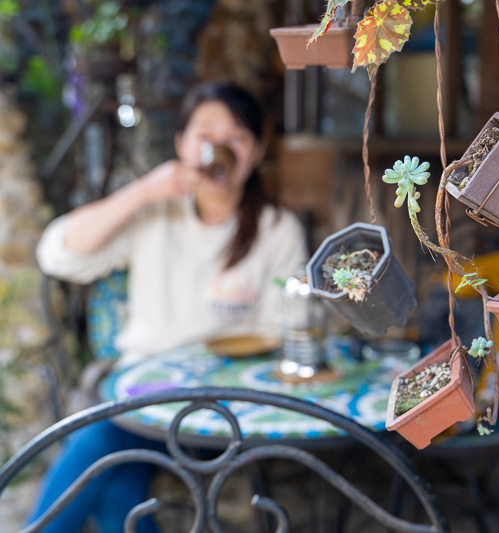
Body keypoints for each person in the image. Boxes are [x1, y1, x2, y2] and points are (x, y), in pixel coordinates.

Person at [28, 82, 307, 532]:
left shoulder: (277, 229)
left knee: (100, 443)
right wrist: (143, 191)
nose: (219, 147)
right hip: (140, 396)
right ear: (181, 145)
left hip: (221, 406)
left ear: (256, 152)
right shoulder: (154, 215)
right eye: (205, 133)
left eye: (236, 136)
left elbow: (287, 325)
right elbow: (58, 255)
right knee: (120, 483)